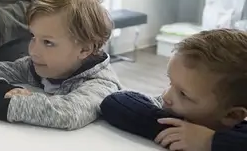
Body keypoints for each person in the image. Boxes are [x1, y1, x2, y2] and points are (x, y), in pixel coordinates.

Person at [0, 0, 122, 130]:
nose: (33, 51)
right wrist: (2, 91)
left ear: (84, 49)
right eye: (33, 37)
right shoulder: (36, 67)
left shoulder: (102, 85)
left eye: (48, 42)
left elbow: (67, 112)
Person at [100, 29, 247, 151]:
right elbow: (114, 101)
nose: (166, 96)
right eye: (170, 83)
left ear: (232, 115)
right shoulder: (171, 106)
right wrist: (170, 130)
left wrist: (210, 141)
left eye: (183, 94)